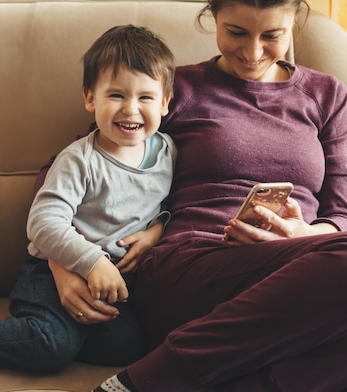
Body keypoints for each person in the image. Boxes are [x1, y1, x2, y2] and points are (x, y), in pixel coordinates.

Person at [39, 0, 347, 390]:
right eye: (236, 32)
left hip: (299, 278)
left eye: (272, 36)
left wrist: (304, 235)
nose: (253, 53)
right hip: (189, 268)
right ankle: (151, 380)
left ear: (294, 26)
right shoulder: (173, 90)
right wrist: (64, 263)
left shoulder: (326, 95)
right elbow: (65, 169)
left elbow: (341, 209)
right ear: (213, 17)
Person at [0, 25, 177, 372]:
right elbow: (43, 223)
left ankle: (13, 335)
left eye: (145, 97)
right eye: (116, 95)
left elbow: (169, 205)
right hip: (50, 272)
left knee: (125, 349)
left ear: (164, 103)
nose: (130, 109)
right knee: (50, 347)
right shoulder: (79, 160)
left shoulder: (167, 152)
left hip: (111, 283)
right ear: (90, 98)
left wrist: (158, 228)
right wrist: (92, 262)